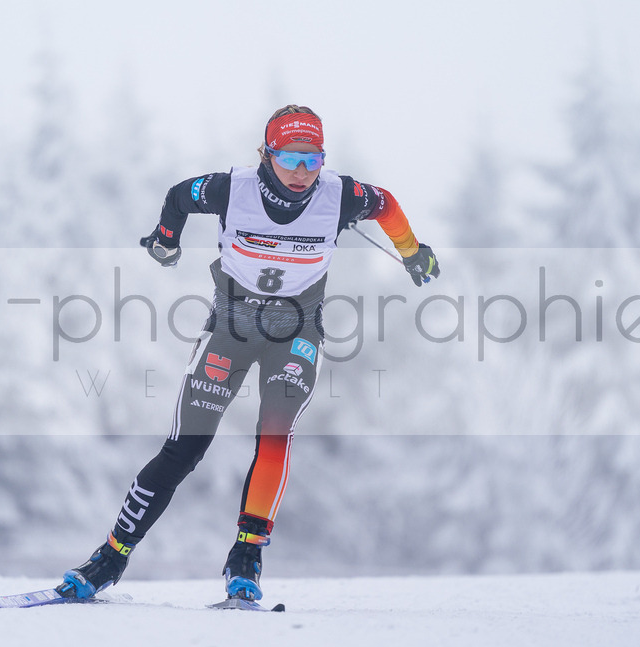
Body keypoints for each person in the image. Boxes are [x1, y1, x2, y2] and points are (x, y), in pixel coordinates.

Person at [56, 104, 440, 602]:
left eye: (313, 159)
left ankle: (247, 559)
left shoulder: (340, 195)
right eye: (290, 158)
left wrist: (412, 252)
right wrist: (166, 240)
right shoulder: (230, 188)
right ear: (267, 153)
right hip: (230, 331)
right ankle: (109, 558)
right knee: (184, 449)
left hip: (296, 333)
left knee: (274, 435)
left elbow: (385, 204)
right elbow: (178, 197)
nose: (303, 172)